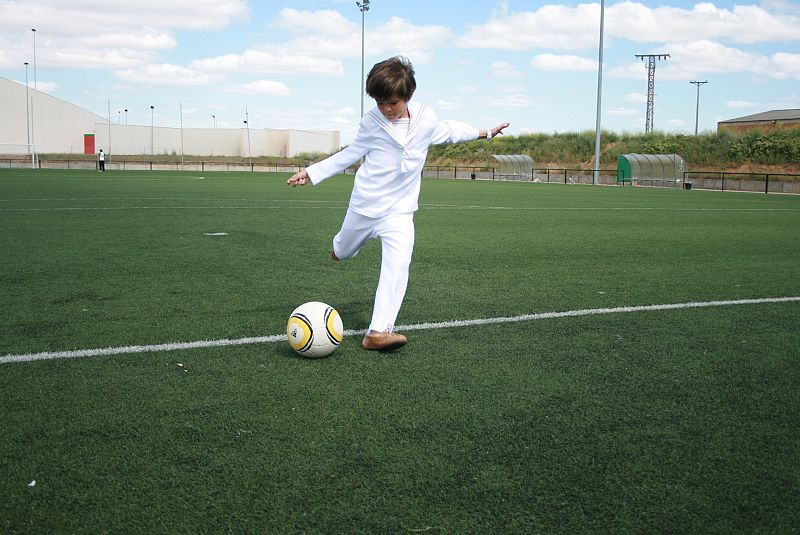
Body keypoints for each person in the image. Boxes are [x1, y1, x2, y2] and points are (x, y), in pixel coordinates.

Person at [288, 56, 509, 351]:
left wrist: (485, 133)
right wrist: (312, 172)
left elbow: (449, 131)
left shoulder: (425, 119)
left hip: (400, 211)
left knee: (398, 263)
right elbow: (351, 153)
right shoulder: (371, 122)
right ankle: (340, 248)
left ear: (409, 96)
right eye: (380, 102)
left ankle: (378, 331)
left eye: (392, 102)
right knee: (343, 250)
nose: (386, 109)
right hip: (365, 206)